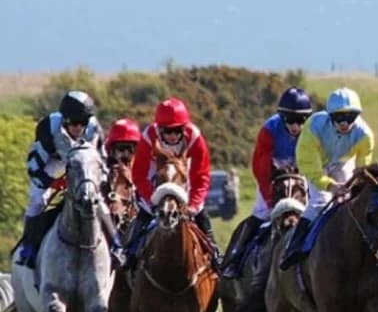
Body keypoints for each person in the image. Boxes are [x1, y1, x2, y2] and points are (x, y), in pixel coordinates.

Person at [17, 91, 121, 268]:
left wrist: (98, 184)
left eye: (83, 122)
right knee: (36, 198)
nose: (79, 127)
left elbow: (101, 163)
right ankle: (28, 246)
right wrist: (53, 182)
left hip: (84, 163)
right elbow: (34, 167)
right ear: (64, 119)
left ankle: (117, 247)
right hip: (55, 161)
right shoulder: (49, 127)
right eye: (73, 122)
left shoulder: (93, 129)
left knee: (99, 201)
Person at [220, 87, 313, 278]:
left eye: (300, 121)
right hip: (272, 180)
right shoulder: (269, 130)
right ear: (282, 117)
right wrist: (272, 201)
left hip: (302, 179)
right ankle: (235, 259)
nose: (295, 126)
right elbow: (260, 170)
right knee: (261, 214)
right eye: (290, 120)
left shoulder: (312, 133)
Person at [279, 87, 375, 269]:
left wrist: (354, 188)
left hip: (341, 162)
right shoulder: (314, 127)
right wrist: (331, 187)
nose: (345, 123)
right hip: (316, 164)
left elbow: (361, 171)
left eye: (350, 117)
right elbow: (312, 170)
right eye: (339, 118)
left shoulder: (365, 135)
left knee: (350, 202)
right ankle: (294, 247)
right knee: (319, 203)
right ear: (330, 116)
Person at [124, 97, 220, 270]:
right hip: (156, 177)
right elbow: (139, 176)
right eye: (167, 131)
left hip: (185, 176)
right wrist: (152, 202)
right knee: (142, 217)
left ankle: (216, 255)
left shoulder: (195, 138)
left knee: (202, 216)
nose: (173, 136)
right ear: (159, 129)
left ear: (184, 128)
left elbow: (201, 176)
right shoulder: (148, 138)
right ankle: (129, 255)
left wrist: (193, 205)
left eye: (177, 130)